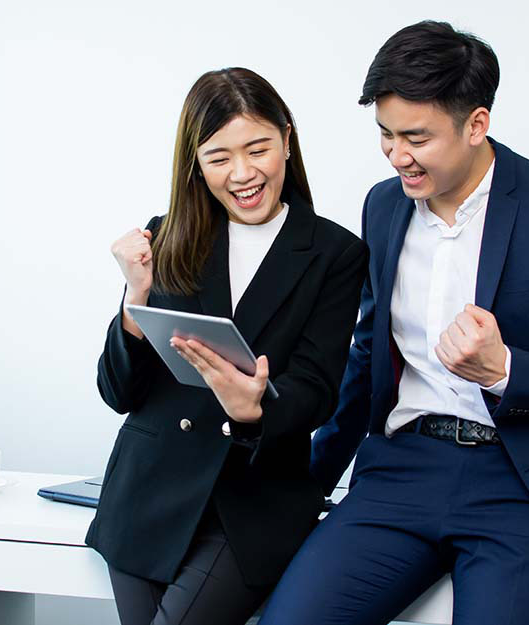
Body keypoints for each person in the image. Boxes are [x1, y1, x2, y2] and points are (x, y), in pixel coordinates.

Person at [260, 21, 529, 625]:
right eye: (385, 134)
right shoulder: (384, 206)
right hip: (400, 471)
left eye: (416, 137)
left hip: (520, 484)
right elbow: (367, 354)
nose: (397, 155)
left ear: (476, 124)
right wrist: (310, 480)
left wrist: (504, 369)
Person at [85, 67, 369, 625]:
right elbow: (119, 392)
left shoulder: (335, 253)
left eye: (258, 148)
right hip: (148, 494)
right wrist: (135, 302)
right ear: (195, 163)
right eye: (218, 157)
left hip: (253, 503)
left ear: (287, 138)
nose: (242, 173)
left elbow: (318, 389)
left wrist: (257, 408)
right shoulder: (164, 237)